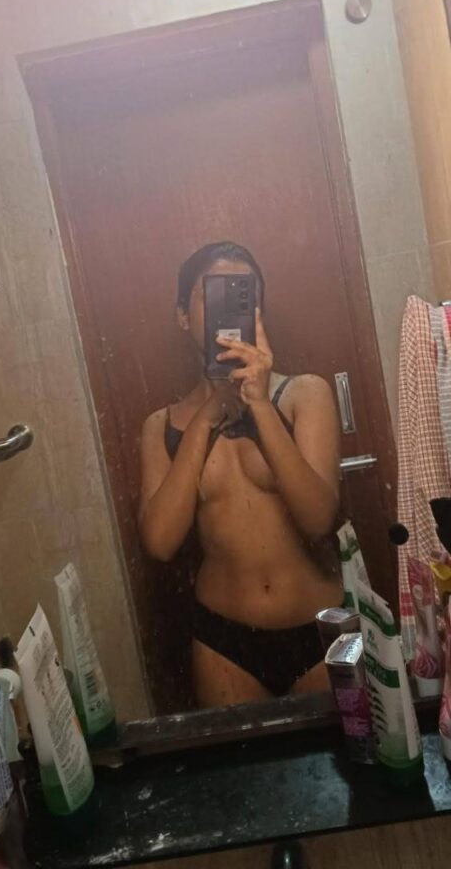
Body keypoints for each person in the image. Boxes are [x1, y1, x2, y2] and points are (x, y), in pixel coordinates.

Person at [139, 241, 342, 708]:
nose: (227, 308)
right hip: (223, 643)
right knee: (243, 759)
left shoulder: (304, 395)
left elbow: (317, 519)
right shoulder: (161, 426)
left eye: (243, 293)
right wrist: (207, 416)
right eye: (211, 293)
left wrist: (258, 403)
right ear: (182, 316)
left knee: (338, 755)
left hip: (318, 629)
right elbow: (160, 542)